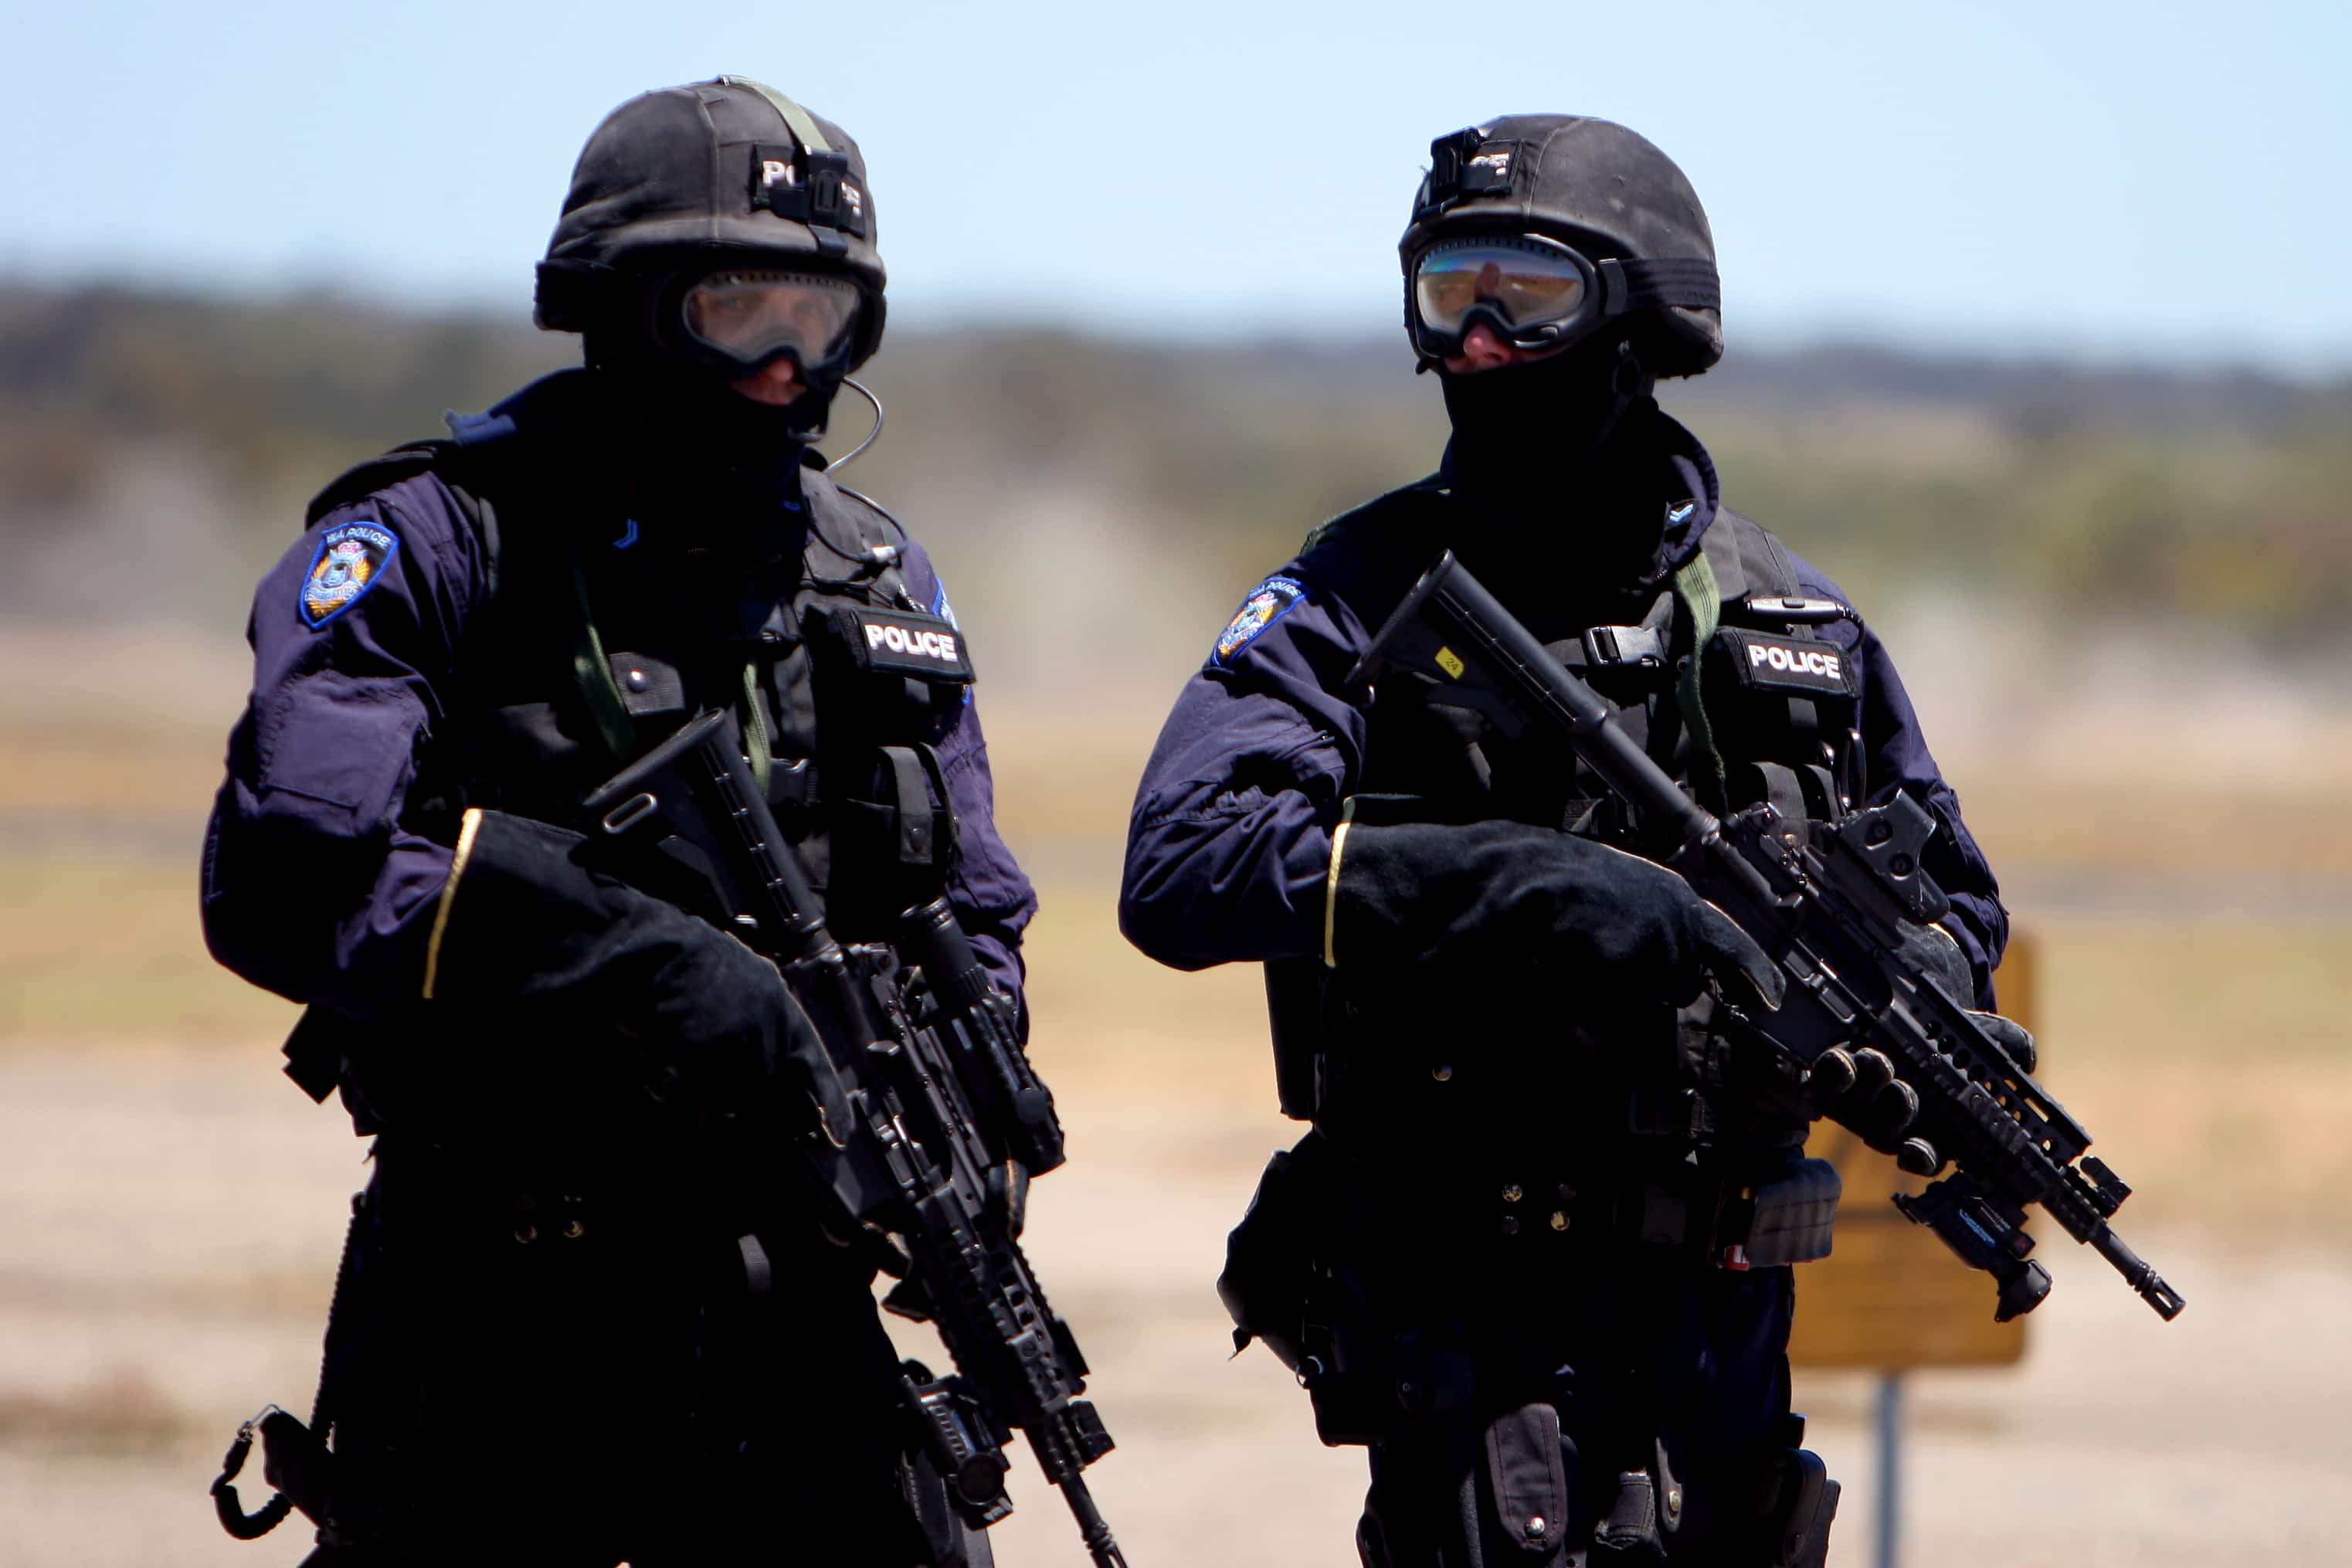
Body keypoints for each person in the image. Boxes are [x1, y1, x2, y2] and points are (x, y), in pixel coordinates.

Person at [1119, 116, 2014, 1566]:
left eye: (1523, 299)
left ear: (1639, 321)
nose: (1474, 343)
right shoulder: (1357, 591)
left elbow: (1956, 907)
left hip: (1724, 1324)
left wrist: (1917, 993)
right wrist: (1518, 884)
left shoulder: (1789, 618)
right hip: (1474, 1318)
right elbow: (1185, 866)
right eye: (1444, 297)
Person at [201, 78, 1033, 1566]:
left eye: (823, 321)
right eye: (738, 311)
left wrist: (966, 1105)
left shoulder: (876, 575)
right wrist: (639, 961)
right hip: (503, 1316)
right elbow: (282, 876)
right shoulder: (437, 540)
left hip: (801, 1329)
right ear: (625, 308)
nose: (784, 366)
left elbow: (970, 900)